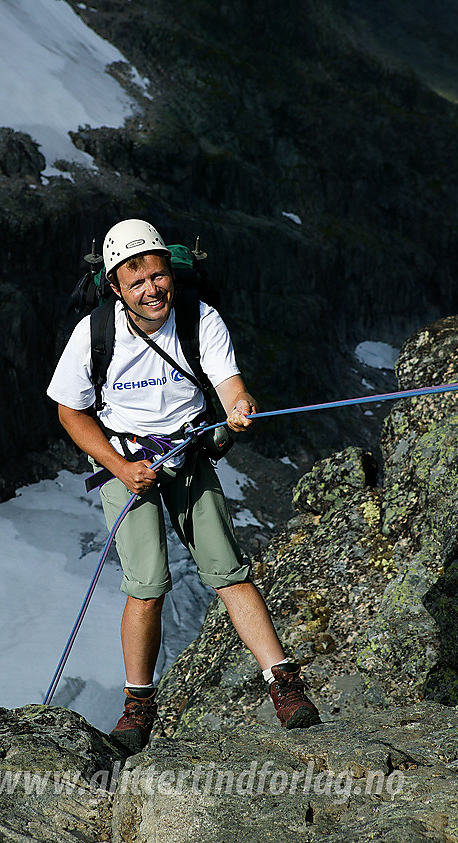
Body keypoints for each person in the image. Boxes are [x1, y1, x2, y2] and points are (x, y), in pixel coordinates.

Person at [47, 219, 320, 752]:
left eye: (158, 275)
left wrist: (238, 409)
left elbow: (228, 383)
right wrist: (121, 469)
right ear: (116, 289)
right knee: (147, 586)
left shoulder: (199, 318)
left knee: (229, 573)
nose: (153, 289)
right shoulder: (95, 333)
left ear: (170, 271)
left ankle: (284, 685)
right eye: (137, 281)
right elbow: (69, 412)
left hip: (189, 455)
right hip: (127, 465)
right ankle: (138, 707)